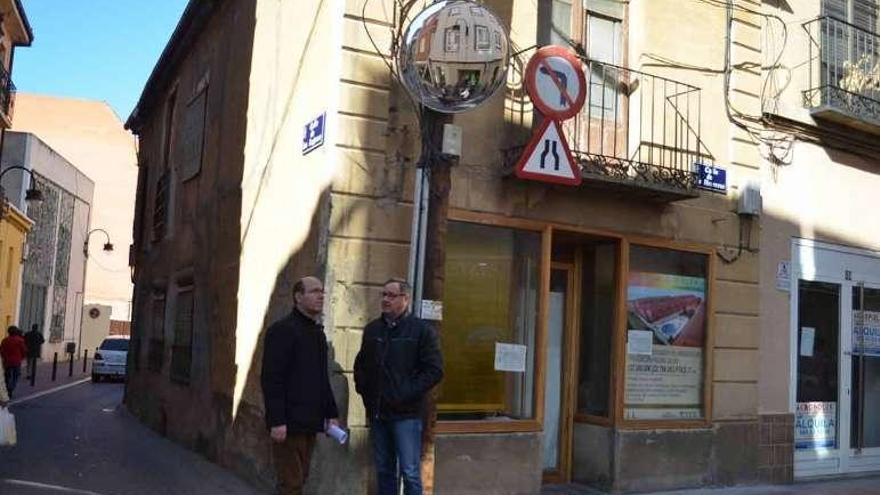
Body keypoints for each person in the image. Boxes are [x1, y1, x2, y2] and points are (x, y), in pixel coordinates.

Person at [354, 278, 444, 495]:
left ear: (405, 299)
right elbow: (361, 366)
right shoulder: (373, 330)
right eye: (383, 294)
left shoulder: (421, 331)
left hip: (407, 415)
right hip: (378, 413)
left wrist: (406, 393)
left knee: (410, 471)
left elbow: (434, 370)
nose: (385, 300)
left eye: (391, 295)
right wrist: (366, 393)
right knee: (384, 470)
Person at [260, 276, 340, 495]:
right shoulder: (282, 330)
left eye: (322, 291)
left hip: (310, 422)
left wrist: (331, 413)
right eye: (314, 291)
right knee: (291, 483)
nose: (321, 296)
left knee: (300, 477)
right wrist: (277, 421)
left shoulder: (317, 333)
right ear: (298, 297)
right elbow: (271, 378)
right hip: (288, 423)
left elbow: (321, 378)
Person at [0, 327, 27, 398]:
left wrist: (4, 357)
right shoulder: (20, 340)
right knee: (15, 375)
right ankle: (11, 388)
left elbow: (1, 350)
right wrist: (22, 357)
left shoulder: (5, 340)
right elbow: (24, 350)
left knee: (7, 375)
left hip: (7, 361)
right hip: (16, 361)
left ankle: (7, 388)